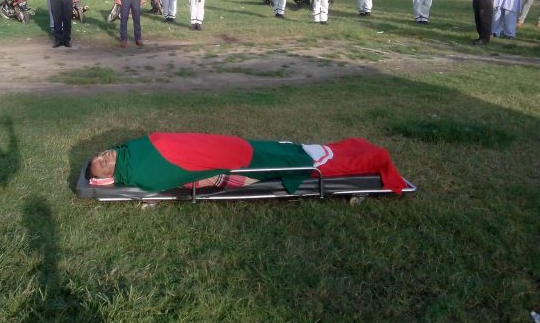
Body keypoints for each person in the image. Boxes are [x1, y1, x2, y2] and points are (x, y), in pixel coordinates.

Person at [86, 132, 406, 195]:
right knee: (280, 157)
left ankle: (316, 153)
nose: (102, 156)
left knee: (275, 149)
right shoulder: (141, 172)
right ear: (107, 178)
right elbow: (170, 173)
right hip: (229, 159)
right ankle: (365, 159)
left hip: (222, 145)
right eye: (101, 164)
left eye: (99, 154)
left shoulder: (131, 149)